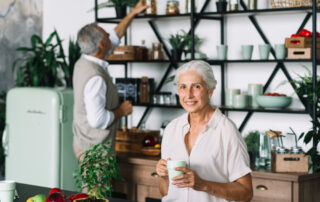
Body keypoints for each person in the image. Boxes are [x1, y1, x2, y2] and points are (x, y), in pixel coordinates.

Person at [156, 60, 253, 202]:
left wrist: (203, 185)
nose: (188, 95)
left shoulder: (226, 131)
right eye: (183, 87)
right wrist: (164, 177)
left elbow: (246, 192)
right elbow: (166, 193)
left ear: (210, 91)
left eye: (196, 87)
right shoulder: (171, 129)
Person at [72, 0, 148, 160]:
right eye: (105, 33)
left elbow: (114, 36)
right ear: (101, 45)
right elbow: (98, 120)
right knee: (96, 187)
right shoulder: (96, 78)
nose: (109, 34)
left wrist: (133, 13)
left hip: (83, 143)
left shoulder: (83, 61)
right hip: (95, 152)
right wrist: (122, 111)